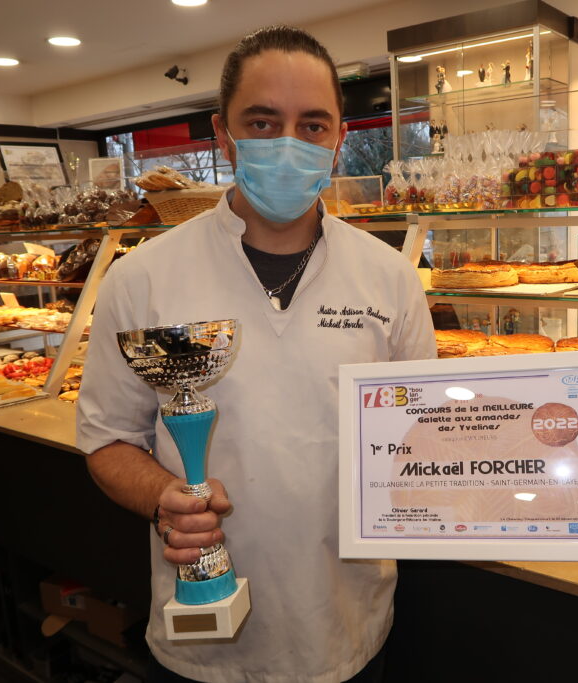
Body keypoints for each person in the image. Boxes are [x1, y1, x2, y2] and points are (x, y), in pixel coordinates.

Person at [76, 25, 436, 683]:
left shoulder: (389, 278)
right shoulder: (142, 277)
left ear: (338, 140)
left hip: (346, 626)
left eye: (313, 125)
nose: (288, 143)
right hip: (204, 641)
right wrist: (164, 497)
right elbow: (108, 440)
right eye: (263, 122)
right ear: (224, 133)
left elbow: (422, 439)